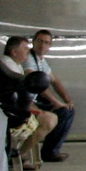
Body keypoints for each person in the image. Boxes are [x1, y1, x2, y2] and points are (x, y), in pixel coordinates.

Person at [0, 37, 49, 171]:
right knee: (48, 120)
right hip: (9, 111)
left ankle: (19, 153)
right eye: (25, 48)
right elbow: (12, 94)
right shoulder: (6, 66)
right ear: (14, 52)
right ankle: (19, 154)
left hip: (18, 108)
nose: (28, 51)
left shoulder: (16, 65)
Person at [25, 29, 73, 162]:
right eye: (40, 41)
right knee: (61, 111)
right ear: (33, 42)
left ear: (50, 46)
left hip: (35, 100)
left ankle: (51, 150)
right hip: (28, 102)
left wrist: (67, 100)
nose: (43, 45)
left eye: (46, 43)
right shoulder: (28, 58)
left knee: (67, 110)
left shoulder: (41, 61)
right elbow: (36, 84)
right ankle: (44, 152)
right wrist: (57, 102)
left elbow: (55, 81)